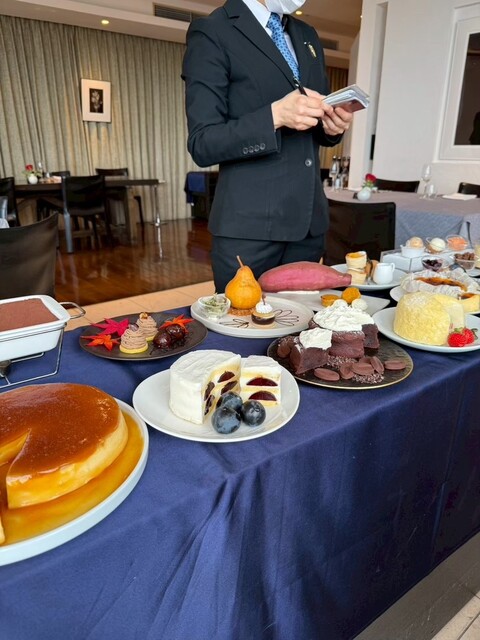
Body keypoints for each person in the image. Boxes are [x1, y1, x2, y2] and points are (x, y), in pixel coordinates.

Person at [182, 0, 353, 293]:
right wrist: (274, 116)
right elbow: (203, 142)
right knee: (245, 320)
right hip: (250, 230)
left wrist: (331, 128)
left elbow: (314, 119)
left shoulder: (307, 34)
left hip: (308, 225)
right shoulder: (212, 30)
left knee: (304, 321)